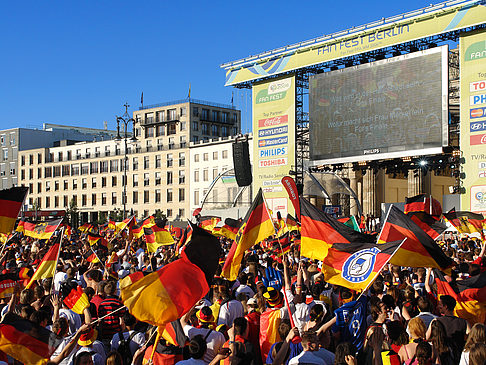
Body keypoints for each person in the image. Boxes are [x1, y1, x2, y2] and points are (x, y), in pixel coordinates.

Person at [436, 294, 471, 362]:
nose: (438, 306)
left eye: (440, 304)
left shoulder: (436, 321)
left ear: (445, 306)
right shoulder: (464, 322)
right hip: (458, 358)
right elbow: (471, 336)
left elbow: (427, 337)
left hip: (442, 358)